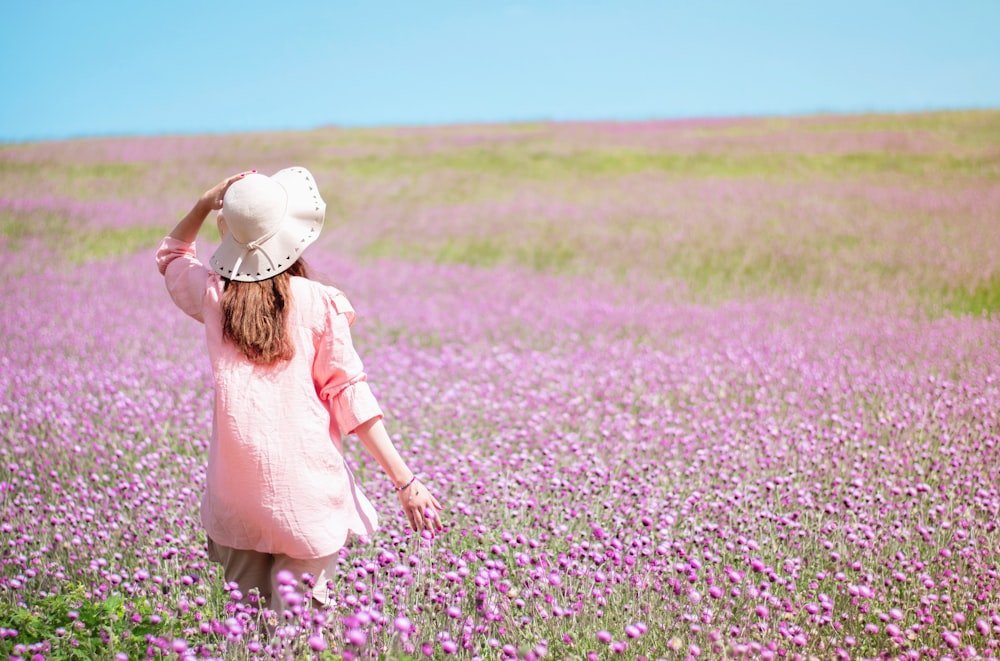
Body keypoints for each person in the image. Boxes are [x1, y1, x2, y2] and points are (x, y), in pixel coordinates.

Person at [155, 167, 443, 610]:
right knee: (297, 634)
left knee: (245, 632)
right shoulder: (318, 302)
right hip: (306, 499)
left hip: (237, 499)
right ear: (293, 236)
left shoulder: (214, 297)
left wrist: (203, 203)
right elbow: (350, 396)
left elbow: (172, 255)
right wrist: (406, 482)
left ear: (231, 239)